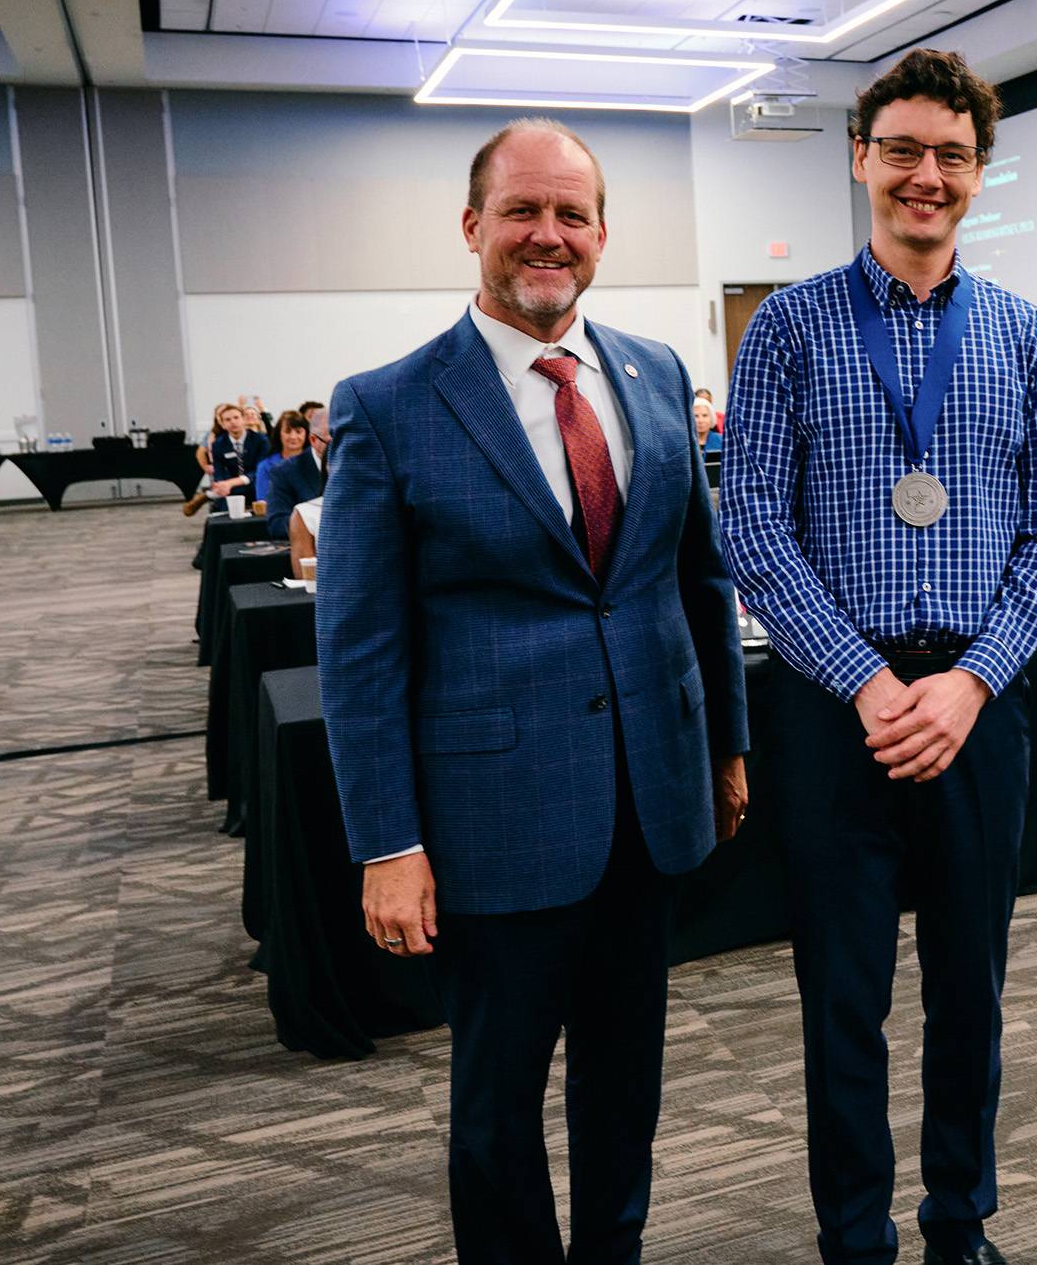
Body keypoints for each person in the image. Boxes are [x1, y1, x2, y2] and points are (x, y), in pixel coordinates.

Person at [316, 116, 750, 1265]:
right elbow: (359, 649)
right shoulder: (388, 405)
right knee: (498, 1106)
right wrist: (387, 842)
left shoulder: (656, 374)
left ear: (602, 233)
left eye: (572, 214)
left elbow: (696, 578)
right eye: (522, 211)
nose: (547, 234)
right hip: (493, 821)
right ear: (474, 226)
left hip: (649, 804)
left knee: (626, 1084)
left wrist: (726, 745)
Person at [720, 48, 1037, 1265]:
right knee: (844, 996)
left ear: (980, 175)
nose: (928, 175)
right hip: (838, 710)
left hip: (980, 704)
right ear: (861, 159)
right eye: (905, 151)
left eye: (953, 156)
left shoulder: (1024, 337)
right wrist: (869, 684)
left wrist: (970, 682)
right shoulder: (788, 328)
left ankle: (958, 1222)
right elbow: (752, 528)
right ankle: (854, 1236)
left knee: (972, 987)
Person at [264, 405, 329, 541]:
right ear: (313, 440)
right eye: (333, 443)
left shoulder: (359, 465)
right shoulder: (285, 472)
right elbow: (277, 524)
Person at [197, 401, 269, 514]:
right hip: (230, 488)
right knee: (223, 503)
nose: (233, 422)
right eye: (228, 420)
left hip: (256, 484)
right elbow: (219, 472)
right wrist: (221, 485)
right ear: (222, 424)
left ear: (243, 419)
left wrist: (231, 483)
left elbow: (260, 471)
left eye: (236, 417)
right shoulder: (218, 445)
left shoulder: (261, 440)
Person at [253, 410, 306, 504]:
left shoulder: (317, 461)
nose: (293, 437)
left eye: (298, 432)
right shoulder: (265, 466)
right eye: (287, 431)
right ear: (279, 434)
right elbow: (263, 502)